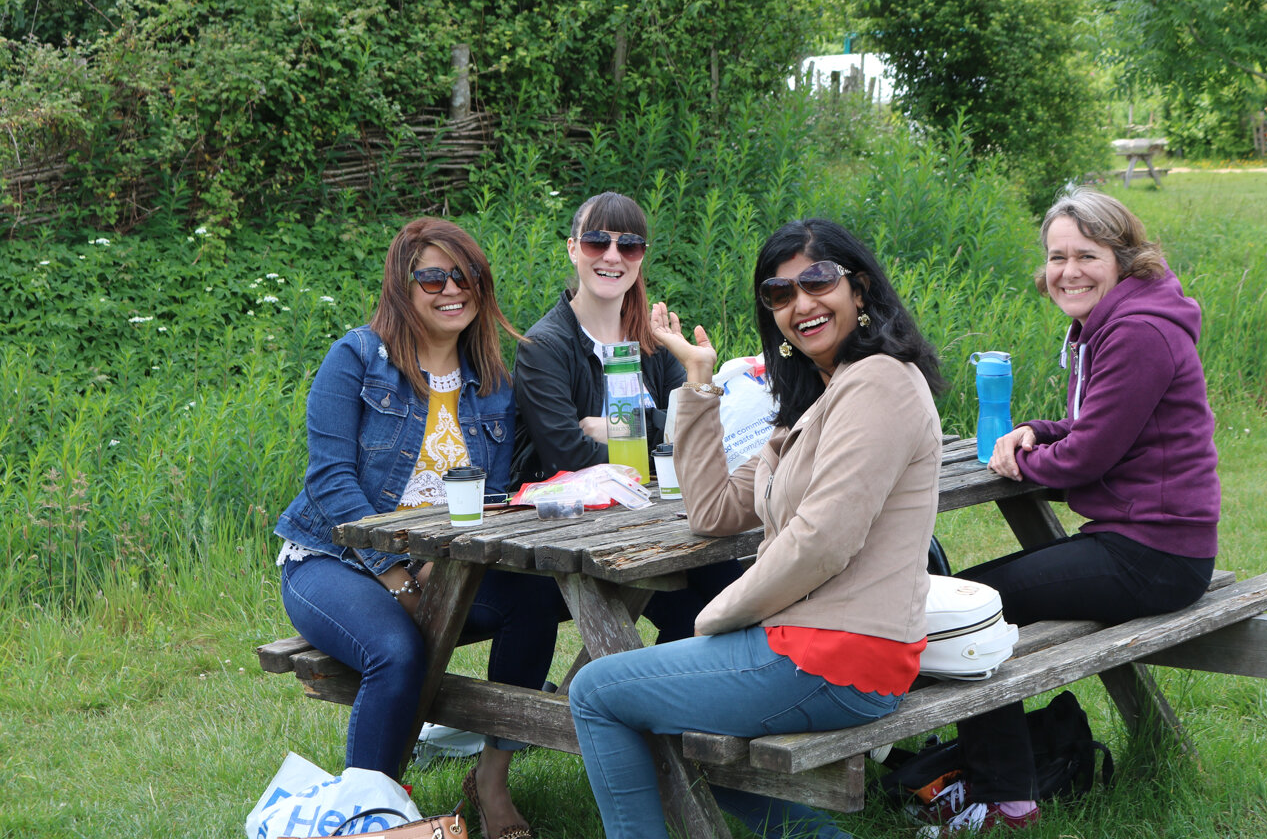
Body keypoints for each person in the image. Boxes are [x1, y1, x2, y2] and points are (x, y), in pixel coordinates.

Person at [567, 218, 946, 839]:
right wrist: (697, 378)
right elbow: (713, 510)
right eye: (780, 294)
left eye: (817, 281)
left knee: (595, 691)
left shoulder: (879, 381)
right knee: (670, 723)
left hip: (838, 651)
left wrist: (717, 617)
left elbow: (824, 538)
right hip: (813, 645)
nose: (801, 304)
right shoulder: (813, 403)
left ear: (860, 290)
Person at [919, 187, 1220, 836]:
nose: (1068, 271)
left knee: (976, 603)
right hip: (1148, 544)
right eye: (1057, 257)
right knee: (980, 595)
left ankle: (1006, 798)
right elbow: (1101, 425)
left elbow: (1089, 457)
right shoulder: (1118, 322)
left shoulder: (1137, 331)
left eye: (1086, 255)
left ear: (1124, 259)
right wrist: (1037, 430)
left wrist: (1021, 462)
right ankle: (989, 776)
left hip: (1157, 555)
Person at [273, 218, 536, 839]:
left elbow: (490, 496)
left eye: (464, 275)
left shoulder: (493, 382)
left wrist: (439, 568)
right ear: (402, 285)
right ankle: (368, 823)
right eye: (432, 276)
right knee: (396, 651)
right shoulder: (358, 358)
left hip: (440, 565)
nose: (452, 289)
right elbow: (331, 481)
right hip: (329, 560)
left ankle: (491, 780)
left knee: (533, 600)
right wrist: (397, 574)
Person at [503, 191, 742, 657]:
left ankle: (683, 712)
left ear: (640, 259)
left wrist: (611, 427)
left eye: (628, 245)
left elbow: (699, 438)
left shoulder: (651, 343)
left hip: (661, 524)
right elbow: (569, 458)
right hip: (574, 539)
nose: (612, 256)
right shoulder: (543, 348)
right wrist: (660, 437)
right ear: (573, 249)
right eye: (597, 241)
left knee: (733, 600)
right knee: (710, 612)